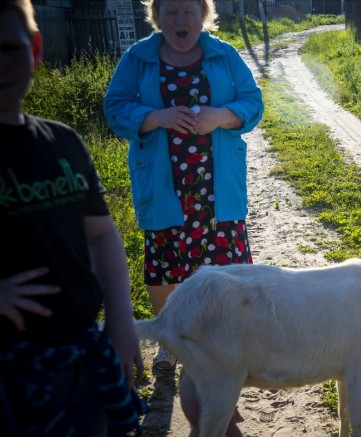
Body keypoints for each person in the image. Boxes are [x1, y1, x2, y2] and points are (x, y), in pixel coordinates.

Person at [103, 0, 263, 434]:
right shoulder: (138, 58)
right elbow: (114, 106)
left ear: (203, 14)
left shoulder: (224, 54)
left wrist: (221, 116)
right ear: (156, 16)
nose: (180, 20)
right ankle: (170, 345)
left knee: (227, 271)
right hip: (164, 184)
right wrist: (152, 116)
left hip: (217, 189)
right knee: (164, 265)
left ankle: (224, 348)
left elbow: (253, 100)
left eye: (188, 10)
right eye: (170, 11)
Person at [0, 0, 145, 435]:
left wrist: (120, 318)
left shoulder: (62, 142)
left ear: (36, 49)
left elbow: (100, 235)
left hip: (84, 355)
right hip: (10, 374)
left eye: (8, 47)